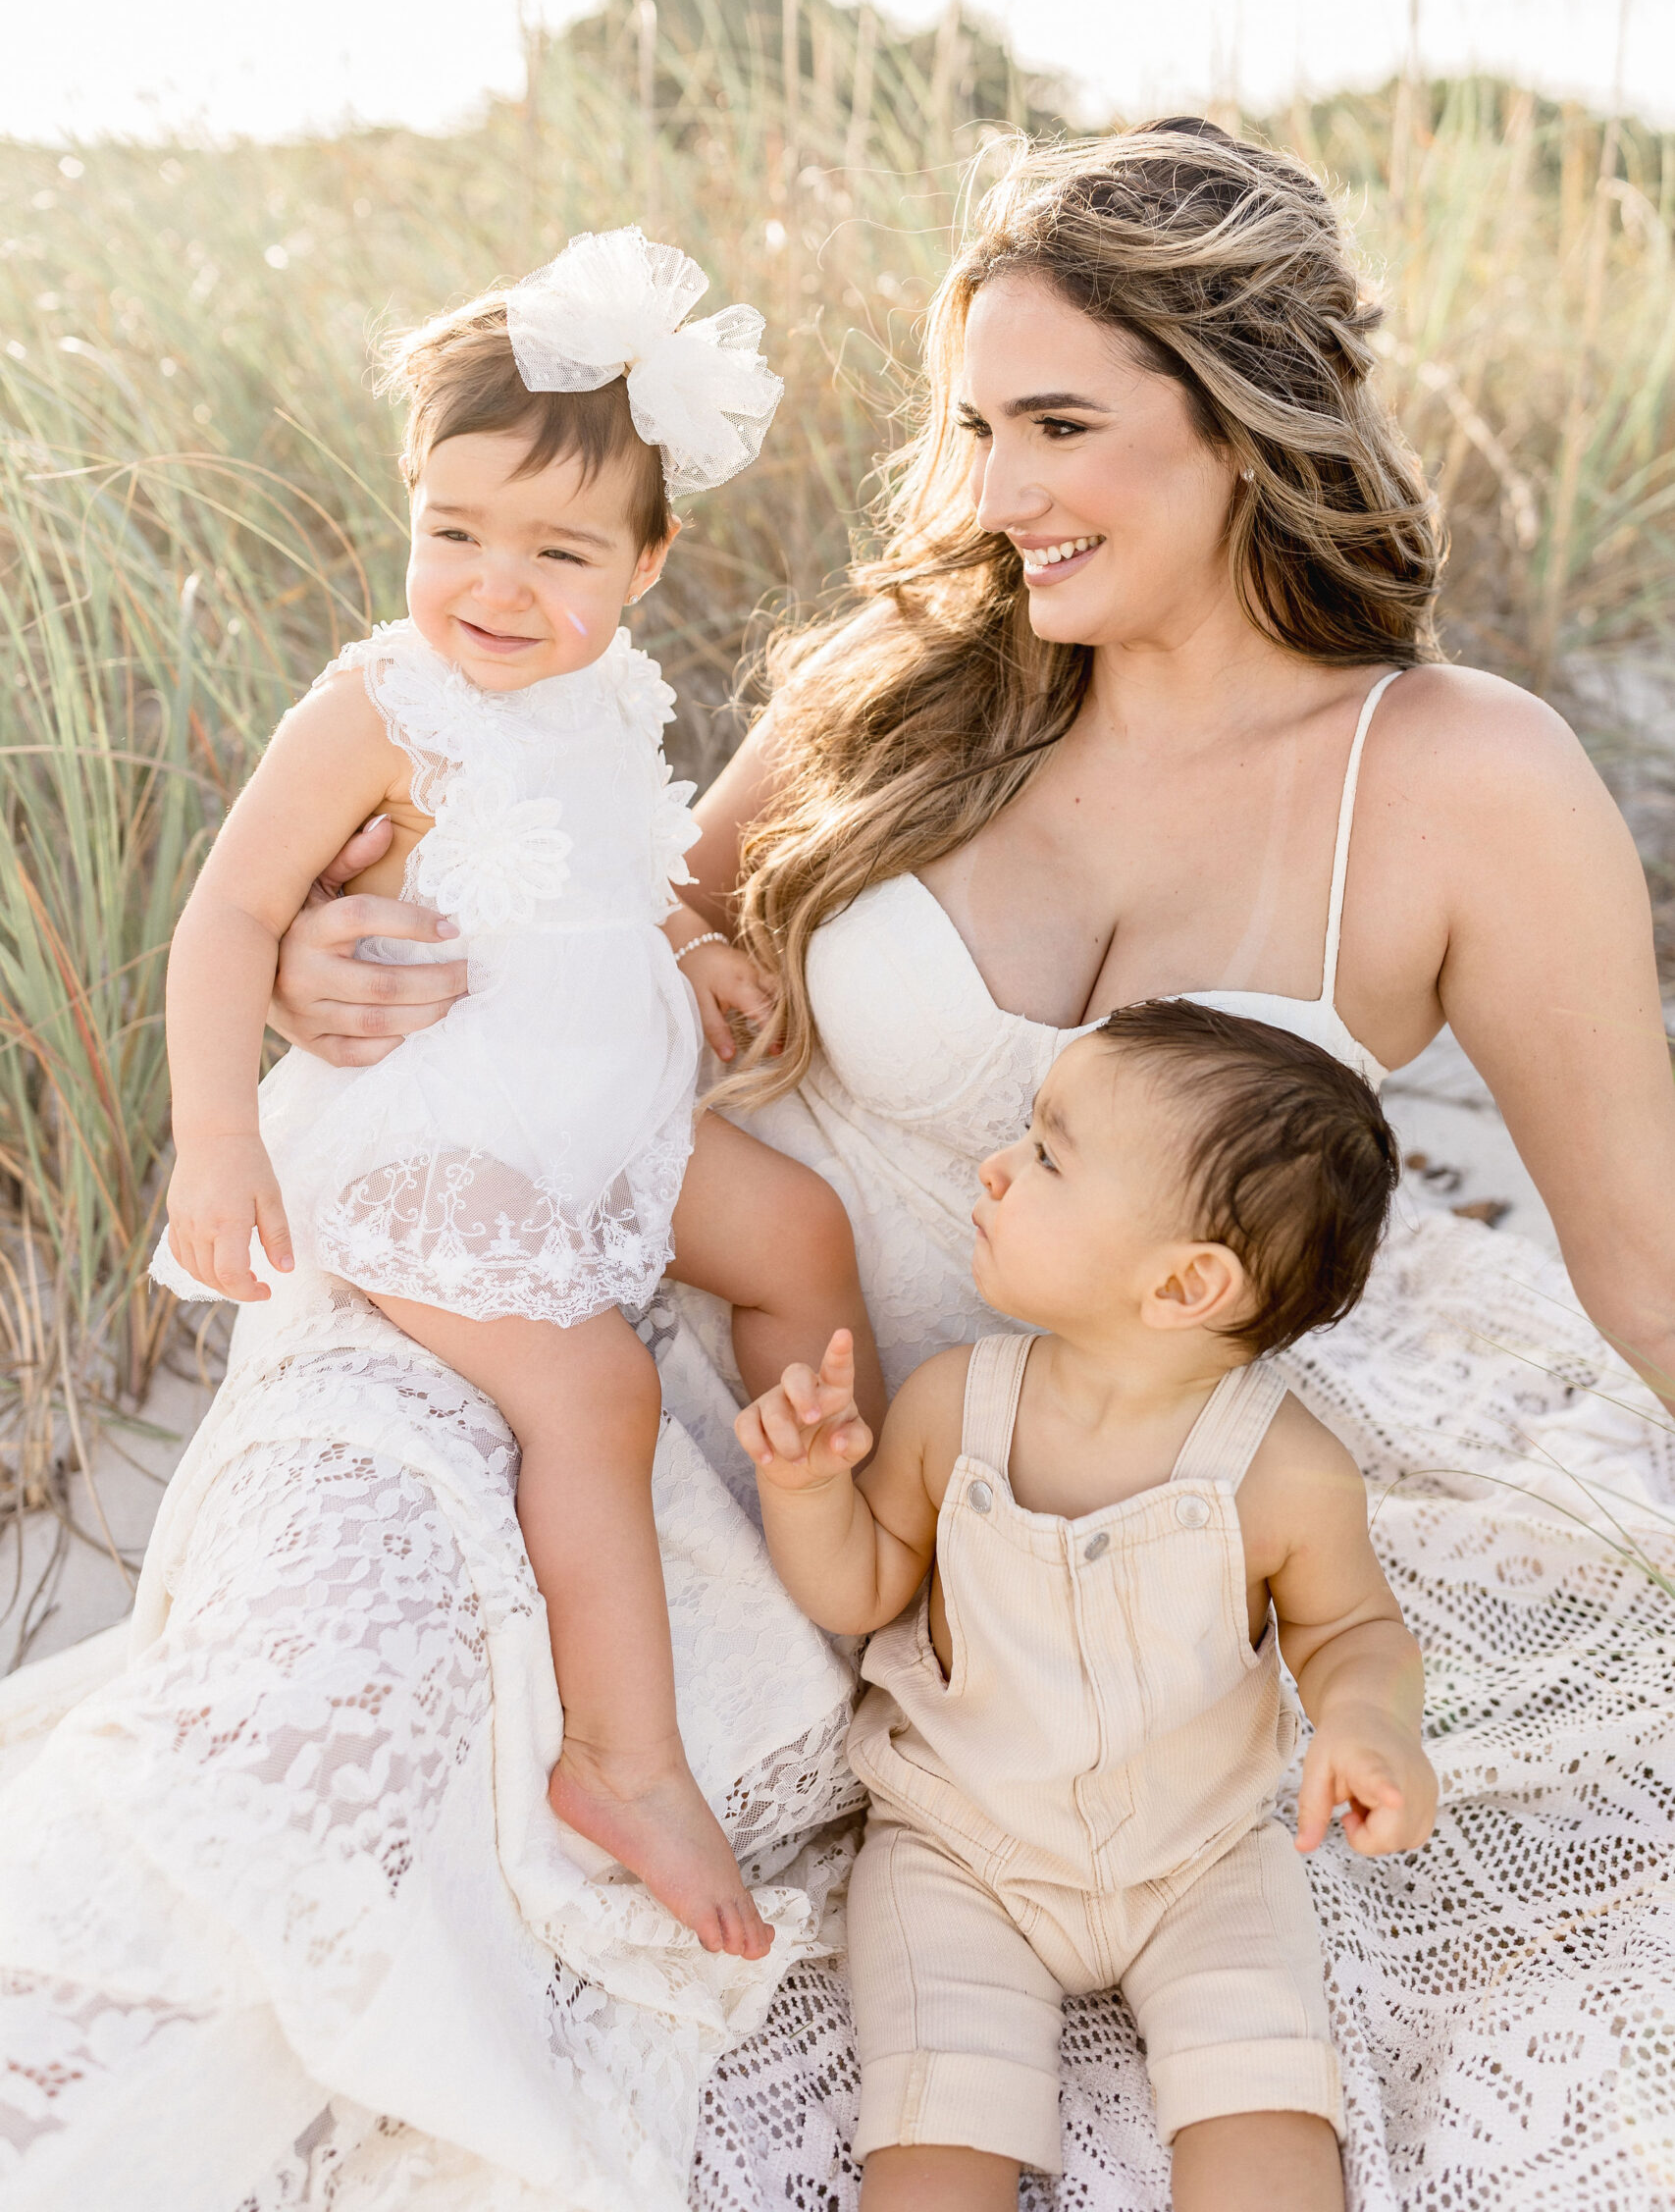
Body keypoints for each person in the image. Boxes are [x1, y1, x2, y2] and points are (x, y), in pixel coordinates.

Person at [4, 120, 1672, 2212]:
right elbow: (611, 943)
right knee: (309, 1758)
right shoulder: (903, 691)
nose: (991, 492)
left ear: (1248, 417)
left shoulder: (1457, 779)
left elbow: (1644, 1264)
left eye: (1057, 422)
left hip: (1095, 1494)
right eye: (973, 424)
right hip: (688, 1385)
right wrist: (342, 956)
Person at [153, 222, 884, 1959]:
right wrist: (214, 1135)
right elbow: (232, 911)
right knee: (593, 1394)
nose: (493, 582)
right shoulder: (383, 702)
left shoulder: (602, 691)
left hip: (595, 1110)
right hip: (445, 1143)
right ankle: (626, 1764)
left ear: (648, 565)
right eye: (452, 532)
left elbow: (603, 870)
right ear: (409, 509)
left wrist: (687, 952)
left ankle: (833, 1569)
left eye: (557, 549)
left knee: (793, 1229)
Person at [740, 1003, 1438, 2212]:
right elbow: (863, 1591)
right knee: (936, 2114)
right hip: (961, 1850)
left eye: (1050, 1155)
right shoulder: (956, 1407)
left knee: (1266, 2099)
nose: (998, 1168)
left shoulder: (1284, 1469)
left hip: (1202, 1855)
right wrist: (807, 1491)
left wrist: (1370, 1724)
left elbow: (1352, 1629)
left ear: (1183, 1283)